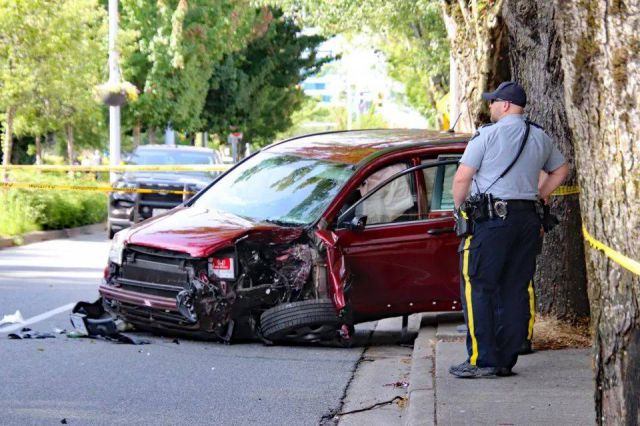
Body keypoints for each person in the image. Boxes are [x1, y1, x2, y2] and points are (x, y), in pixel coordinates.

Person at [449, 81, 569, 378]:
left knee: (479, 285)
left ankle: (482, 359)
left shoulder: (487, 135)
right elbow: (561, 170)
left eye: (493, 102)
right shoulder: (539, 136)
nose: (489, 106)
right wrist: (539, 194)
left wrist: (459, 208)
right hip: (527, 221)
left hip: (491, 221)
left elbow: (462, 178)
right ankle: (506, 358)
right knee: (515, 287)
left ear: (504, 105)